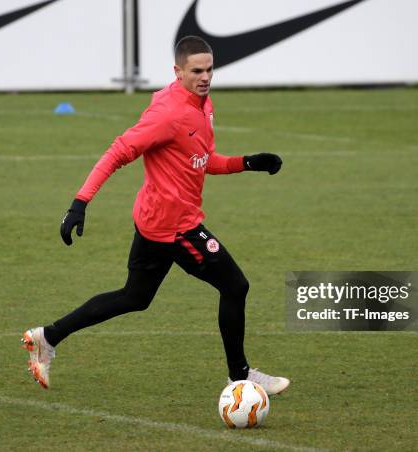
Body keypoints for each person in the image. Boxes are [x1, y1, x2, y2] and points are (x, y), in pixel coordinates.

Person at [22, 35, 289, 395]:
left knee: (135, 297)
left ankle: (47, 337)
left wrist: (248, 163)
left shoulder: (202, 106)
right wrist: (80, 202)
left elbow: (202, 161)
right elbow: (118, 152)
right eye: (197, 70)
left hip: (153, 219)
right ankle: (240, 376)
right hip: (175, 227)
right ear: (177, 71)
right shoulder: (168, 113)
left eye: (210, 69)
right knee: (235, 285)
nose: (205, 76)